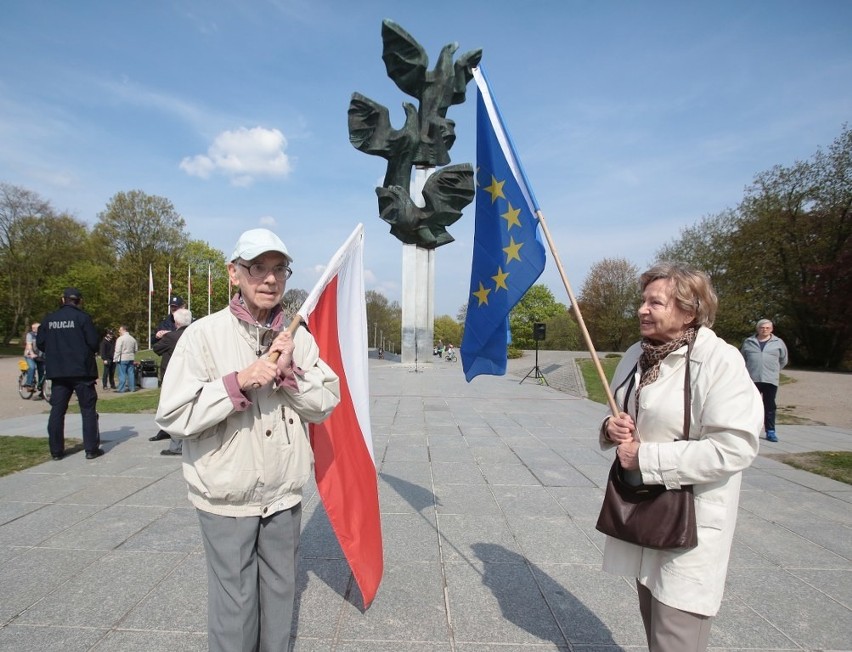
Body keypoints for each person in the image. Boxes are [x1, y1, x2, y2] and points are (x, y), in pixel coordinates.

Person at [155, 228, 340, 652]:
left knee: (279, 601)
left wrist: (291, 376)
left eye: (279, 269)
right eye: (258, 268)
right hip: (227, 495)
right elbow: (173, 414)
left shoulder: (298, 338)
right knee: (235, 610)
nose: (270, 279)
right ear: (234, 273)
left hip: (283, 495)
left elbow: (327, 400)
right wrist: (237, 382)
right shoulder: (203, 335)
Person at [600, 262, 762, 651]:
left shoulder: (719, 361)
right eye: (643, 301)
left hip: (690, 519)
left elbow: (735, 446)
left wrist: (646, 458)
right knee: (653, 620)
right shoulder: (636, 355)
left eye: (655, 302)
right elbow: (625, 413)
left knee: (675, 634)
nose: (642, 309)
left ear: (689, 311)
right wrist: (610, 428)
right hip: (644, 515)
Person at [36, 288, 103, 460]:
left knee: (57, 411)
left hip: (59, 372)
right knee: (88, 410)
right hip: (82, 371)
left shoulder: (49, 319)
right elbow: (94, 343)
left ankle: (56, 451)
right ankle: (91, 449)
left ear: (63, 299)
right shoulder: (83, 318)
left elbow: (41, 343)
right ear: (79, 301)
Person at [150, 307, 192, 454]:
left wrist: (163, 335)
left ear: (176, 322)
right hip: (192, 376)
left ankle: (176, 446)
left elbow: (156, 349)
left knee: (174, 410)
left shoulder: (171, 337)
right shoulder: (195, 334)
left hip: (173, 378)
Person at [741, 319, 789, 442]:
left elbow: (783, 360)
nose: (764, 330)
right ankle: (748, 430)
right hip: (752, 379)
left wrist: (774, 370)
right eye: (762, 328)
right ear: (758, 329)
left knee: (769, 406)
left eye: (767, 328)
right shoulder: (749, 342)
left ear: (771, 329)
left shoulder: (778, 343)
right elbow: (742, 359)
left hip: (770, 379)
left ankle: (770, 431)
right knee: (750, 405)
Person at [23, 322, 46, 399]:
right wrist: (32, 353)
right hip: (30, 355)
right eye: (38, 328)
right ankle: (28, 384)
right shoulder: (30, 335)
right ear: (34, 329)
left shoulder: (44, 335)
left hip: (40, 356)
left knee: (42, 371)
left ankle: (41, 390)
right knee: (32, 367)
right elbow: (29, 345)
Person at [113, 325, 139, 393]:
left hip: (123, 358)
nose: (119, 331)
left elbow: (118, 350)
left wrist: (115, 358)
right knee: (131, 373)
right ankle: (132, 388)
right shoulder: (132, 339)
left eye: (120, 330)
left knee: (122, 374)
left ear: (124, 330)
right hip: (131, 357)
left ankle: (121, 389)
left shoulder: (120, 339)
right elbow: (136, 349)